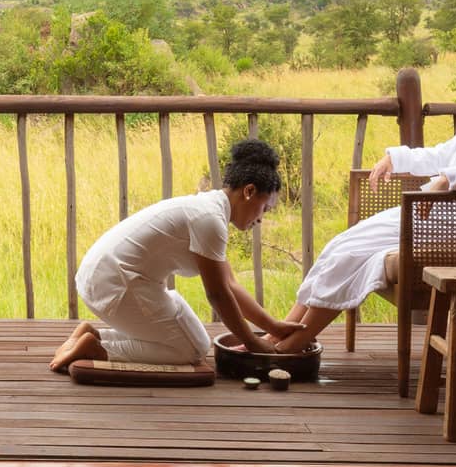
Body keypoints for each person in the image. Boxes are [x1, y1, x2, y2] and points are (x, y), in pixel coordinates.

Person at [270, 39, 456, 354]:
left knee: (350, 252)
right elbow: (445, 153)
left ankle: (291, 346)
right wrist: (397, 158)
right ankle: (279, 335)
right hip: (449, 211)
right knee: (340, 245)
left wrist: (450, 179)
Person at [49, 138, 304, 372]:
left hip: (117, 278)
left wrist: (273, 327)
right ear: (248, 192)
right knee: (188, 351)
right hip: (113, 284)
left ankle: (93, 335)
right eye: (265, 208)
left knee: (199, 343)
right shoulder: (210, 220)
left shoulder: (211, 210)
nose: (261, 219)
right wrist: (252, 342)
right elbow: (217, 295)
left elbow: (230, 285)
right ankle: (98, 350)